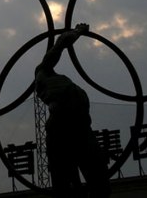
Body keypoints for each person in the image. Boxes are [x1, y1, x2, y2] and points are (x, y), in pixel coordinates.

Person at [34, 23, 110, 198]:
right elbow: (62, 42)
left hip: (79, 126)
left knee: (100, 183)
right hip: (64, 125)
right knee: (68, 183)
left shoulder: (49, 78)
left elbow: (62, 43)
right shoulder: (42, 72)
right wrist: (79, 31)